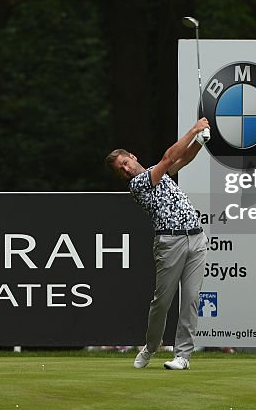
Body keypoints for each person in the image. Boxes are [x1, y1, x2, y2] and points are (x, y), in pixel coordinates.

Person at [105, 118, 210, 371]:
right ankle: (151, 347)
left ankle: (182, 356)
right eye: (121, 170)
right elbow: (168, 157)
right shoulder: (138, 185)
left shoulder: (157, 173)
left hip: (196, 237)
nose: (126, 170)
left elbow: (182, 159)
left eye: (125, 163)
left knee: (192, 299)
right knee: (162, 301)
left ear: (132, 156)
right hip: (169, 241)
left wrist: (201, 141)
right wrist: (194, 129)